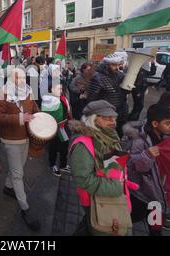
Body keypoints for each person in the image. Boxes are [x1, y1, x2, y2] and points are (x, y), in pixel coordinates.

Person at [69, 100, 133, 236]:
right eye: (106, 118)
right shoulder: (83, 144)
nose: (113, 121)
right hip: (98, 200)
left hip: (113, 197)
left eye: (114, 117)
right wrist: (116, 187)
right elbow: (83, 180)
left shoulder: (109, 135)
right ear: (93, 120)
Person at [0, 67, 41, 232]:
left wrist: (40, 119)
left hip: (26, 136)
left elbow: (34, 107)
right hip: (11, 139)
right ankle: (25, 208)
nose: (21, 80)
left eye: (22, 77)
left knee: (18, 167)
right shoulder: (1, 94)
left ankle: (7, 187)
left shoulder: (28, 90)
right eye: (17, 77)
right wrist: (19, 118)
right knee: (19, 174)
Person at [123, 105, 170, 236]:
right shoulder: (139, 141)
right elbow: (133, 166)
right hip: (141, 193)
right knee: (127, 220)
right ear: (155, 123)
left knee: (156, 228)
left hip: (155, 192)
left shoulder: (162, 135)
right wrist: (147, 156)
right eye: (167, 123)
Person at [87, 53, 129, 137]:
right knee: (107, 136)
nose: (117, 68)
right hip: (105, 114)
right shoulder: (97, 77)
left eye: (118, 65)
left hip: (121, 112)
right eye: (113, 65)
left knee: (119, 134)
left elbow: (124, 93)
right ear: (106, 65)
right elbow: (91, 99)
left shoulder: (120, 75)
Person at [41, 83, 72, 177]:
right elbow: (45, 116)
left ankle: (63, 164)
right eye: (58, 89)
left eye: (61, 89)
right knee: (53, 147)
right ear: (51, 89)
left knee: (64, 145)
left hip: (64, 126)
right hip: (54, 127)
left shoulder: (63, 98)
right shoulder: (48, 100)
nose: (60, 91)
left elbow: (68, 111)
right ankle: (53, 164)